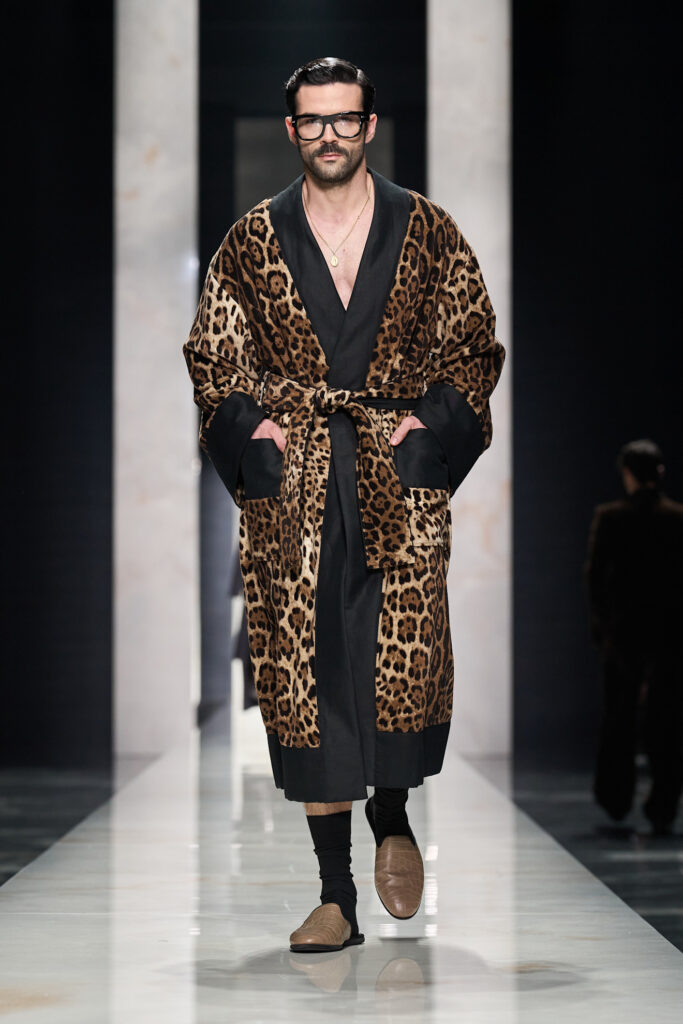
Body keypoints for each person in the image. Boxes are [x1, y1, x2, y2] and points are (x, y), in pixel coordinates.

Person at [184, 57, 505, 951]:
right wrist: (254, 433)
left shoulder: (427, 230)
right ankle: (335, 894)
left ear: (369, 124)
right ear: (292, 129)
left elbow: (474, 344)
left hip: (394, 483)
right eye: (313, 121)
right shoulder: (252, 240)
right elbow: (212, 354)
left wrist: (428, 432)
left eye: (345, 119)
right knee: (305, 673)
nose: (330, 134)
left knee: (398, 660)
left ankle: (391, 813)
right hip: (294, 491)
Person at [585, 439, 683, 835]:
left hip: (623, 634)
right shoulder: (677, 518)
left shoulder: (610, 517)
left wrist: (603, 630)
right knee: (666, 721)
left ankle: (616, 798)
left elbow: (594, 580)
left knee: (619, 718)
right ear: (659, 472)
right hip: (669, 635)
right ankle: (663, 804)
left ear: (627, 473)